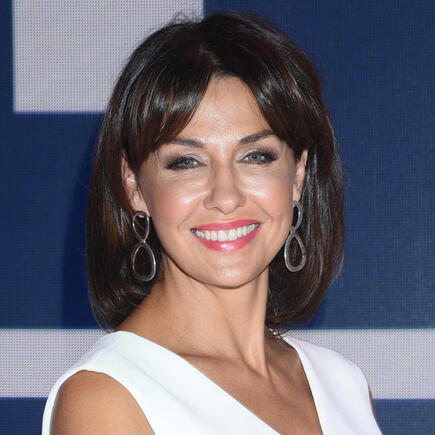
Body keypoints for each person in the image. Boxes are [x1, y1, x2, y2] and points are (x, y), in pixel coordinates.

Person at [42, 11, 381, 434]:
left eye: (256, 156)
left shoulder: (343, 385)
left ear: (297, 175)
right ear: (134, 187)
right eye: (186, 162)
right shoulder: (107, 399)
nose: (226, 197)